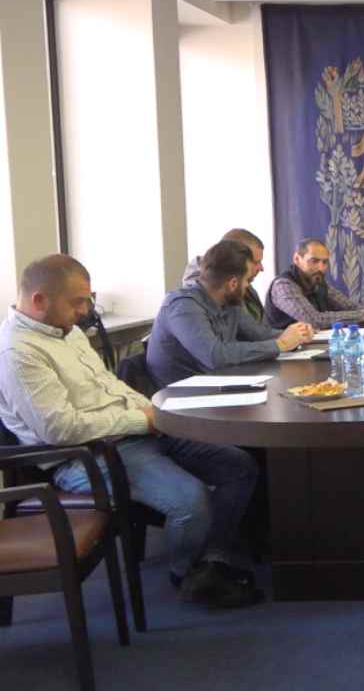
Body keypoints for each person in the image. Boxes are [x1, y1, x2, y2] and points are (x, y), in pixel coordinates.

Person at [0, 254, 262, 607]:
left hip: (132, 431)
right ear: (38, 300)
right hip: (86, 455)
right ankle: (187, 575)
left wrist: (152, 411)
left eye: (88, 300)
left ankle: (211, 561)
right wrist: (144, 420)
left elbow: (109, 385)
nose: (85, 311)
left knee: (238, 466)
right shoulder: (19, 352)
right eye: (77, 302)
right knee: (191, 503)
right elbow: (60, 429)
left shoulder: (68, 332)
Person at [149, 241, 313, 388]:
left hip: (219, 384)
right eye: (247, 280)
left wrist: (297, 334)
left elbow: (259, 334)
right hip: (183, 397)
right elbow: (215, 356)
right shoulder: (182, 306)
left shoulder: (229, 301)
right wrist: (281, 344)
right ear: (233, 283)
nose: (248, 287)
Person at [265, 238, 364, 329]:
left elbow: (350, 307)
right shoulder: (283, 285)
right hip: (287, 350)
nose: (321, 268)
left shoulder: (317, 280)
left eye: (325, 262)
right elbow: (314, 320)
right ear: (297, 259)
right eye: (314, 261)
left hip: (312, 345)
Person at [182, 228, 268, 323]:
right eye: (255, 262)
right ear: (234, 256)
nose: (261, 268)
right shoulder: (198, 298)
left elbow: (261, 327)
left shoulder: (243, 285)